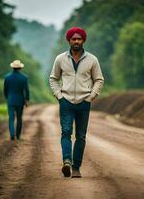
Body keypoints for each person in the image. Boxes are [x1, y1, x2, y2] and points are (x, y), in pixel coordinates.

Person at [49, 27, 104, 178]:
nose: (76, 41)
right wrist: (58, 95)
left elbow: (99, 79)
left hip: (84, 103)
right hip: (65, 102)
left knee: (81, 136)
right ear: (69, 40)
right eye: (73, 39)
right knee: (66, 132)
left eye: (79, 39)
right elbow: (53, 78)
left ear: (83, 40)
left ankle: (76, 167)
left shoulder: (92, 60)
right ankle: (67, 161)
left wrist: (91, 96)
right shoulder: (60, 59)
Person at [4, 59, 29, 141]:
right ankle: (18, 136)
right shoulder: (24, 78)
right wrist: (27, 100)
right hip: (20, 101)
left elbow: (5, 90)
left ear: (12, 68)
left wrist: (7, 97)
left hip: (10, 100)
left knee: (11, 118)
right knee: (19, 118)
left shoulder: (7, 77)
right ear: (20, 68)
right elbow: (26, 90)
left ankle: (12, 135)